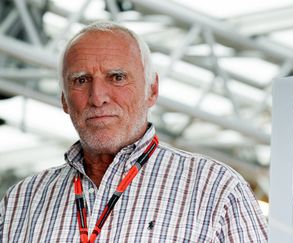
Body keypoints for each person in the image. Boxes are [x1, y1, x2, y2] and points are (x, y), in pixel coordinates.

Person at [0, 21, 268, 242]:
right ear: (64, 100)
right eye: (81, 80)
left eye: (117, 77)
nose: (98, 97)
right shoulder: (19, 201)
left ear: (152, 90)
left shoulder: (216, 189)